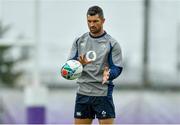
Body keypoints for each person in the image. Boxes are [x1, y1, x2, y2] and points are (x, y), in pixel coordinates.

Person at [68, 5, 123, 124]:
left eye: (95, 21)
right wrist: (78, 65)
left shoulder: (112, 44)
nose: (92, 24)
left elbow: (117, 68)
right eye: (89, 21)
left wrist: (109, 74)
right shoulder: (79, 41)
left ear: (103, 21)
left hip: (102, 94)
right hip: (83, 93)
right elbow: (67, 72)